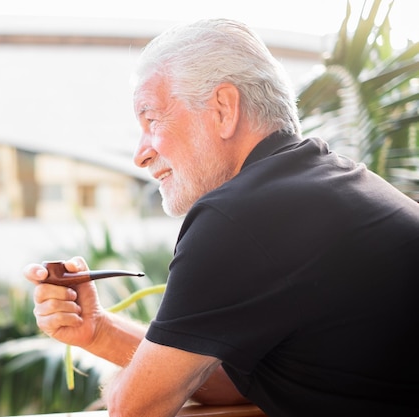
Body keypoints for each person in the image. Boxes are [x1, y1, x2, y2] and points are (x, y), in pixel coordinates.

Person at [23, 18, 419, 417]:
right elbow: (229, 385)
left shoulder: (239, 217)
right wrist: (98, 331)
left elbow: (135, 409)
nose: (140, 154)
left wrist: (134, 386)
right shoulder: (330, 188)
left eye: (152, 120)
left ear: (224, 109)